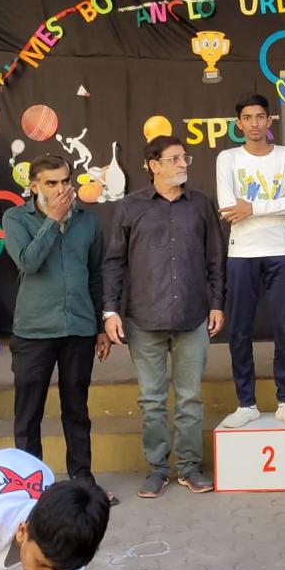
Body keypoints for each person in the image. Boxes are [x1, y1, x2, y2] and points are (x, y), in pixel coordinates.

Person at [103, 136, 224, 498]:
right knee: (152, 400)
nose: (183, 164)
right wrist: (110, 311)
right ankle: (157, 469)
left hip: (192, 316)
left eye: (185, 158)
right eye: (174, 159)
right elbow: (114, 263)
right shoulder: (130, 207)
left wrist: (217, 304)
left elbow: (216, 259)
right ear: (154, 165)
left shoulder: (201, 205)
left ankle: (189, 468)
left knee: (189, 398)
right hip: (144, 319)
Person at [2, 155, 115, 503]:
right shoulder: (15, 218)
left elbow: (95, 275)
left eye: (65, 181)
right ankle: (30, 488)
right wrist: (52, 219)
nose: (61, 188)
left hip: (79, 328)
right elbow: (28, 262)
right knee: (29, 412)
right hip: (34, 330)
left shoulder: (87, 221)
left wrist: (100, 325)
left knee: (77, 409)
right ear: (34, 185)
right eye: (51, 183)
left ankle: (83, 482)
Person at [214, 94, 285, 429]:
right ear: (238, 124)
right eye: (247, 117)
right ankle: (246, 403)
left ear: (269, 121)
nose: (254, 123)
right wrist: (269, 207)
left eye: (260, 117)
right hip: (241, 253)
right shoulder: (228, 158)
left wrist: (252, 207)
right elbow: (229, 208)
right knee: (240, 331)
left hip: (279, 250)